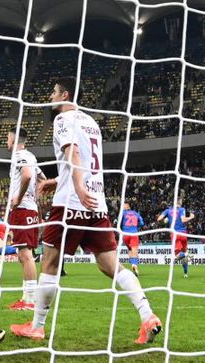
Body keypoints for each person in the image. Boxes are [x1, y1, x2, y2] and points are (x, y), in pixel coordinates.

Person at [10, 79, 161, 344]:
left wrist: (77, 187)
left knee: (49, 262)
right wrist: (57, 180)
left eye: (53, 92)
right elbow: (89, 163)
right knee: (110, 265)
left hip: (71, 202)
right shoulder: (91, 122)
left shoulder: (63, 119)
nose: (50, 96)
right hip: (97, 203)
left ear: (65, 95)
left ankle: (37, 326)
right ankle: (147, 315)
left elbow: (73, 153)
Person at [6, 130, 44, 310]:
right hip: (29, 208)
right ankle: (26, 297)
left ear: (13, 139)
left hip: (22, 209)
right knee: (23, 254)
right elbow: (42, 179)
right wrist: (35, 196)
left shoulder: (19, 156)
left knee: (26, 255)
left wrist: (20, 198)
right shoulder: (31, 156)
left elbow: (27, 175)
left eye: (8, 138)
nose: (7, 141)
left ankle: (30, 300)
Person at [157, 197, 194, 278]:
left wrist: (166, 219)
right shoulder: (181, 209)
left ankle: (181, 256)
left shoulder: (167, 210)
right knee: (183, 255)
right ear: (180, 203)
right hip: (183, 234)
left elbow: (159, 219)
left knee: (178, 254)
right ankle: (185, 273)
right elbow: (183, 220)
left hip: (175, 234)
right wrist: (191, 217)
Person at [118, 201, 144, 276]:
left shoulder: (122, 213)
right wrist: (136, 226)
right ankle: (134, 266)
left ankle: (133, 265)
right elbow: (142, 223)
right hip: (134, 233)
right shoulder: (136, 214)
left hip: (125, 234)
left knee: (130, 250)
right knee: (135, 252)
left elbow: (118, 222)